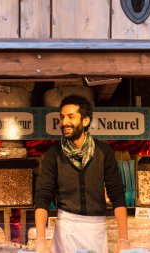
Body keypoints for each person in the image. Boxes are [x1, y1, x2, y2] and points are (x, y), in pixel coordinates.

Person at [34, 94, 129, 253]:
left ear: (85, 121)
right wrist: (40, 240)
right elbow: (43, 196)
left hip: (96, 228)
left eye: (71, 117)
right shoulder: (54, 153)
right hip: (66, 228)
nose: (64, 122)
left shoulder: (103, 152)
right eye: (62, 117)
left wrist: (123, 239)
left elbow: (117, 194)